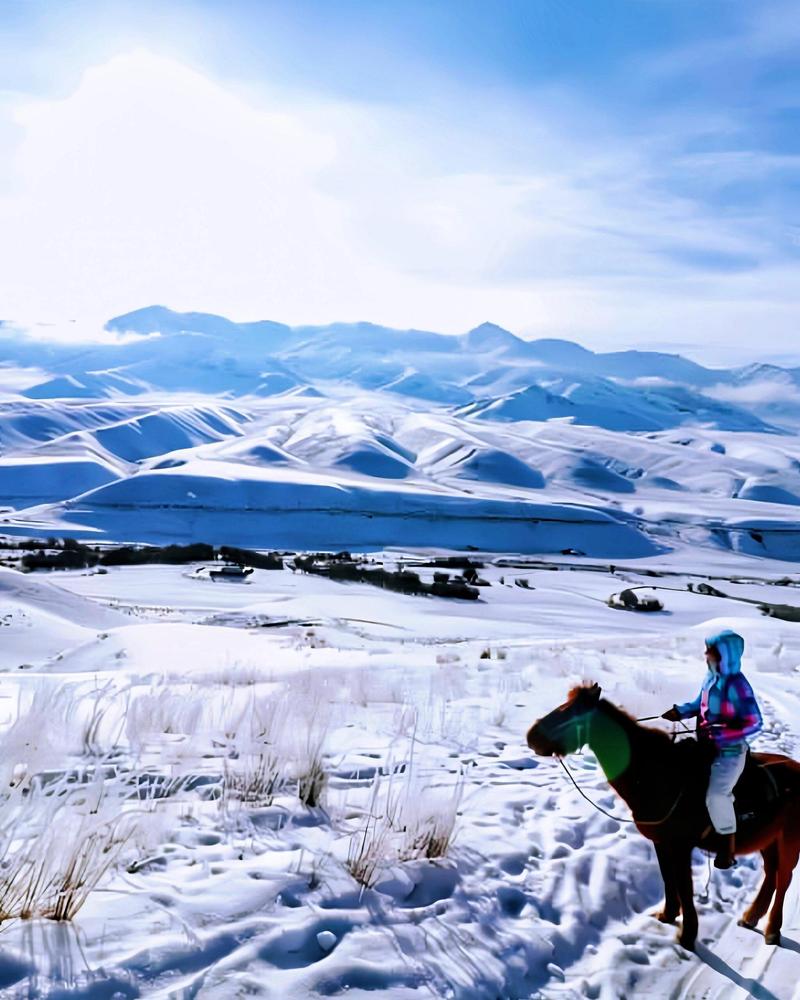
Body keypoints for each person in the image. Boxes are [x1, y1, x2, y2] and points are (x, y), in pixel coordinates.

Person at [662, 629, 763, 869]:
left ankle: (727, 845)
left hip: (730, 751)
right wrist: (681, 711)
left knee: (717, 795)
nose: (706, 654)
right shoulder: (710, 678)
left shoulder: (738, 685)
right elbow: (700, 704)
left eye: (712, 651)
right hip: (706, 745)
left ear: (726, 655)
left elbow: (755, 722)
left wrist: (723, 733)